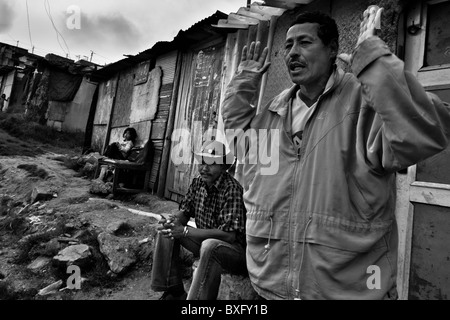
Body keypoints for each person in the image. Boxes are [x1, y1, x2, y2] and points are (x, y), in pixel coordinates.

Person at [221, 7, 450, 300]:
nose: (293, 52)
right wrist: (243, 84)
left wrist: (373, 64)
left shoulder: (363, 103)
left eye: (305, 43)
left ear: (332, 50)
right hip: (270, 286)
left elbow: (428, 131)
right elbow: (243, 147)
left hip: (347, 290)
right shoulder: (273, 112)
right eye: (288, 45)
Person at [150, 140, 247, 300]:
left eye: (212, 163)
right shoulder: (198, 182)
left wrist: (186, 231)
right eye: (202, 162)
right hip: (204, 243)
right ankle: (173, 291)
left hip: (231, 252)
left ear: (223, 167)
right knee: (167, 226)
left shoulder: (232, 189)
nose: (204, 168)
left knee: (210, 245)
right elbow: (185, 212)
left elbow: (229, 236)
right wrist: (173, 220)